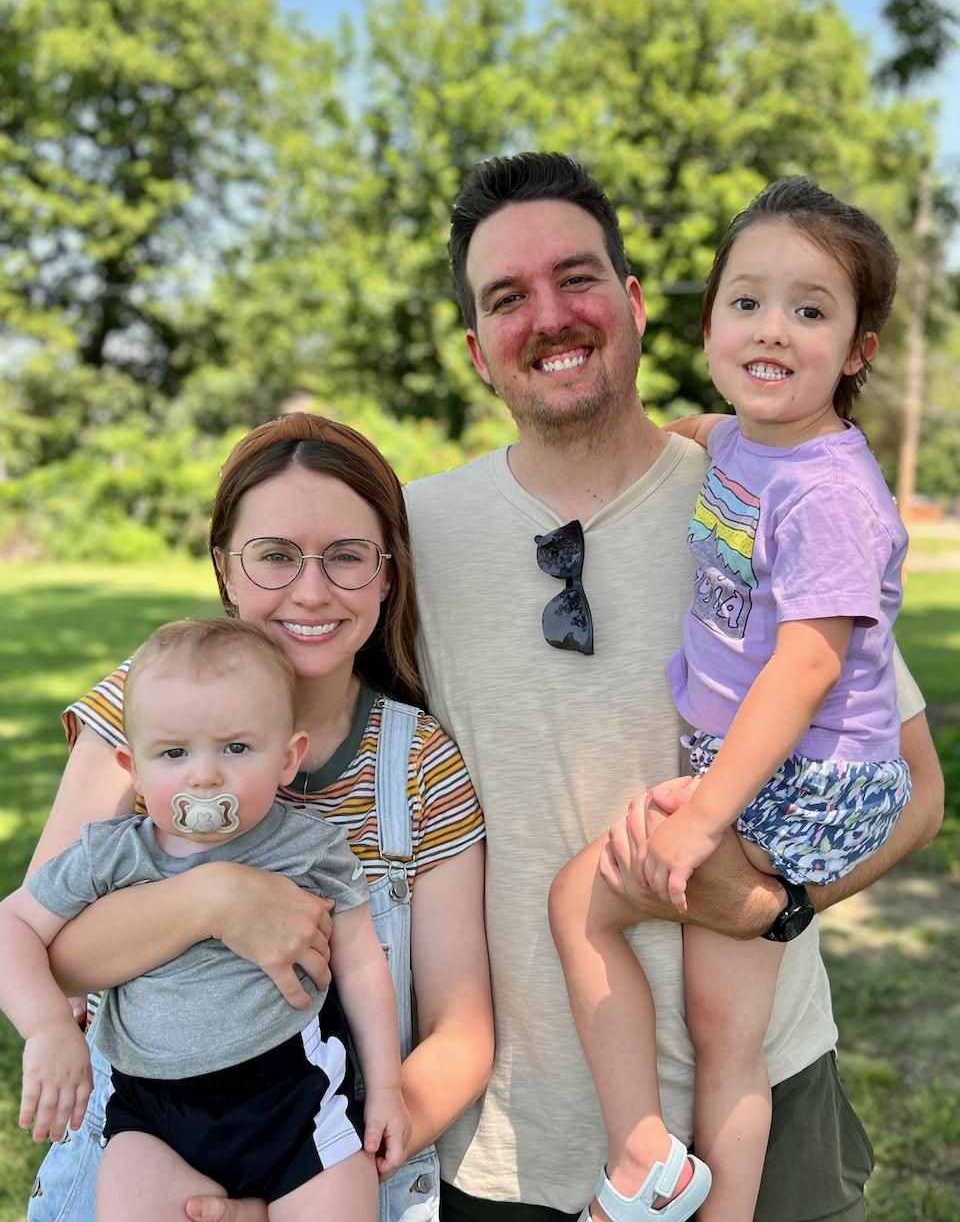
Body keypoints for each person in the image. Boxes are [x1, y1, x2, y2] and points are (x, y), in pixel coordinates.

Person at [403, 151, 944, 1222]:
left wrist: (781, 903)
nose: (549, 316)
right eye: (507, 298)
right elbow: (260, 686)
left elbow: (915, 790)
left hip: (767, 1101)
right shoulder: (411, 535)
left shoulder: (769, 487)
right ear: (475, 350)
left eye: (577, 278)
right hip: (514, 1140)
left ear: (637, 302)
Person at [548, 177, 912, 1222]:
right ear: (707, 324)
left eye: (810, 310)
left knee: (579, 899)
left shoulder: (829, 491)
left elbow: (808, 665)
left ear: (857, 350)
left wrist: (705, 816)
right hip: (776, 769)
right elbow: (717, 431)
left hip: (802, 778)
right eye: (746, 302)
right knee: (725, 1033)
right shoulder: (756, 441)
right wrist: (684, 434)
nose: (772, 328)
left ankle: (644, 1161)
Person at [24, 413, 493, 1222]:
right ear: (226, 570)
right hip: (139, 1159)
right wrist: (215, 898)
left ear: (387, 575)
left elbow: (462, 1029)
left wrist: (330, 1170)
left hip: (324, 1163)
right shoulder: (147, 707)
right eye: (275, 556)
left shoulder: (417, 765)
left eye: (346, 556)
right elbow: (49, 951)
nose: (311, 591)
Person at [4, 617, 408, 1219]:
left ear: (288, 758)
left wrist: (387, 1087)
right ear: (133, 768)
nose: (204, 775)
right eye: (174, 753)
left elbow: (361, 964)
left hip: (295, 1107)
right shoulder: (111, 855)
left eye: (236, 748)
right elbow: (12, 925)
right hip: (153, 1119)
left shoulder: (310, 849)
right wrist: (47, 1029)